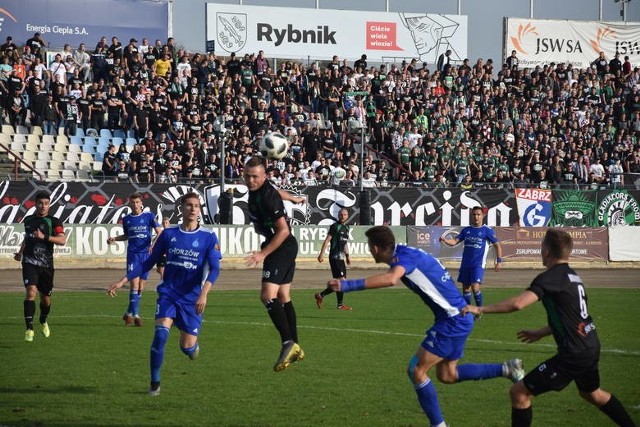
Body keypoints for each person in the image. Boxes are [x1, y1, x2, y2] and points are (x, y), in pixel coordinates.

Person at [328, 226, 525, 426]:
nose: (370, 251)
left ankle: (438, 425)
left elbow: (391, 279)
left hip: (452, 320)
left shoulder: (403, 259)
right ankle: (506, 369)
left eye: (370, 247)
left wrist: (347, 285)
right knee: (448, 375)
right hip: (458, 316)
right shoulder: (406, 252)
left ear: (376, 248)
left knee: (416, 370)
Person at [463, 229, 636, 427]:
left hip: (574, 353)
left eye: (542, 245)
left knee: (519, 392)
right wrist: (541, 332)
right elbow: (574, 318)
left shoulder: (549, 278)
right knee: (592, 394)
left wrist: (479, 308)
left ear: (546, 251)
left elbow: (518, 303)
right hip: (590, 344)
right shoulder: (573, 276)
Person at [108, 192, 221, 396]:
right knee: (160, 336)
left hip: (192, 298)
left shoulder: (208, 237)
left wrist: (204, 294)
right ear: (182, 208)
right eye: (189, 205)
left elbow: (215, 269)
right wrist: (122, 281)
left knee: (188, 348)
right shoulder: (169, 235)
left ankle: (191, 347)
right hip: (168, 293)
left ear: (199, 210)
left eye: (196, 206)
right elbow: (147, 263)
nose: (193, 209)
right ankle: (155, 384)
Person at [243, 156, 305, 372]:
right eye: (248, 176)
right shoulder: (262, 189)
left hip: (280, 245)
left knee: (266, 295)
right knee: (283, 297)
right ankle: (296, 345)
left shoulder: (267, 197)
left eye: (255, 177)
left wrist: (262, 254)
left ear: (264, 176)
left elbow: (284, 230)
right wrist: (292, 199)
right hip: (284, 246)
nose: (251, 181)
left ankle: (288, 342)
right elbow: (276, 192)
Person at [14, 191, 66, 342]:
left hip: (46, 266)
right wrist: (20, 252)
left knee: (46, 300)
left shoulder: (54, 221)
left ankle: (43, 320)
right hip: (29, 262)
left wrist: (45, 237)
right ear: (35, 204)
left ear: (49, 205)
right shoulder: (29, 220)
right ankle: (29, 329)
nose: (43, 206)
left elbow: (62, 240)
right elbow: (27, 238)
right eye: (40, 203)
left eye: (46, 203)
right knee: (31, 292)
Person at [106, 193, 162, 326]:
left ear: (141, 203)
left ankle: (128, 313)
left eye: (137, 202)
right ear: (129, 204)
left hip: (146, 255)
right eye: (132, 202)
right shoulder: (126, 219)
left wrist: (153, 245)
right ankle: (136, 315)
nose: (135, 204)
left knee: (141, 287)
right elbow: (126, 235)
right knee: (134, 284)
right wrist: (115, 238)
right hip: (133, 254)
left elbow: (160, 232)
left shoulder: (149, 216)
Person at [439, 206, 502, 309]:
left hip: (478, 264)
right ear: (471, 216)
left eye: (478, 215)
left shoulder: (487, 231)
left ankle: (479, 310)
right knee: (466, 290)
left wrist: (499, 261)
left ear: (483, 216)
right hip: (465, 264)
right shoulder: (466, 230)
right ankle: (468, 310)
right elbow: (454, 241)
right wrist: (445, 240)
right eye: (474, 215)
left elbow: (497, 245)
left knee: (475, 287)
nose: (476, 217)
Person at [315, 208, 353, 311]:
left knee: (340, 283)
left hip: (341, 258)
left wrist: (348, 257)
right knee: (342, 281)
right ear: (338, 215)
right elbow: (327, 240)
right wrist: (321, 255)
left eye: (344, 215)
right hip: (334, 257)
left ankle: (338, 304)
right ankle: (322, 295)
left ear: (347, 216)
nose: (343, 216)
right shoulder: (335, 226)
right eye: (341, 214)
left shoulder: (347, 227)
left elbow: (344, 244)